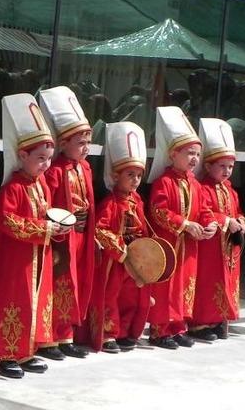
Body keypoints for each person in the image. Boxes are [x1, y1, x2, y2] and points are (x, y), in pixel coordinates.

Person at [0, 93, 66, 379]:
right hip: (14, 261)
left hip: (36, 257)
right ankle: (4, 355)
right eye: (40, 158)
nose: (45, 165)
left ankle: (26, 350)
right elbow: (7, 221)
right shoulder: (13, 188)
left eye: (49, 159)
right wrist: (45, 229)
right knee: (13, 302)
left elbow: (47, 214)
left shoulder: (42, 186)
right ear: (22, 155)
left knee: (34, 302)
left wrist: (58, 227)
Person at [146, 107, 218, 350]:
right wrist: (185, 224)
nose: (194, 159)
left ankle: (178, 326)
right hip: (170, 244)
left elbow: (205, 209)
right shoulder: (163, 182)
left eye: (197, 154)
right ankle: (159, 330)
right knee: (167, 286)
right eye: (189, 153)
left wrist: (211, 224)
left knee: (185, 285)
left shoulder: (195, 184)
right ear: (173, 153)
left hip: (190, 246)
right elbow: (159, 211)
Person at [37, 86, 95, 360]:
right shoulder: (55, 169)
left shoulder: (84, 168)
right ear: (63, 143)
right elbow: (46, 203)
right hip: (63, 237)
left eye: (88, 141)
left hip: (82, 234)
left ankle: (67, 335)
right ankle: (49, 338)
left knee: (76, 283)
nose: (86, 147)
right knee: (59, 283)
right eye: (80, 142)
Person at [89, 122, 151, 353]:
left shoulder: (138, 201)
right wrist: (120, 249)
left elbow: (143, 228)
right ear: (116, 176)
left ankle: (126, 332)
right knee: (111, 296)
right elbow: (100, 230)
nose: (135, 180)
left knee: (132, 297)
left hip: (134, 259)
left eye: (138, 176)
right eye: (130, 175)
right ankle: (108, 334)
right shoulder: (110, 203)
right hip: (116, 260)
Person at [189, 119, 245, 341]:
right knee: (209, 282)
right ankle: (200, 323)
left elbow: (238, 210)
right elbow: (204, 212)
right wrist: (225, 220)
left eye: (230, 167)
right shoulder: (203, 188)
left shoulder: (231, 190)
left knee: (226, 282)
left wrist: (240, 219)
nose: (227, 171)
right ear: (209, 166)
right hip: (211, 246)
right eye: (222, 166)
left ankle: (218, 319)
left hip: (228, 247)